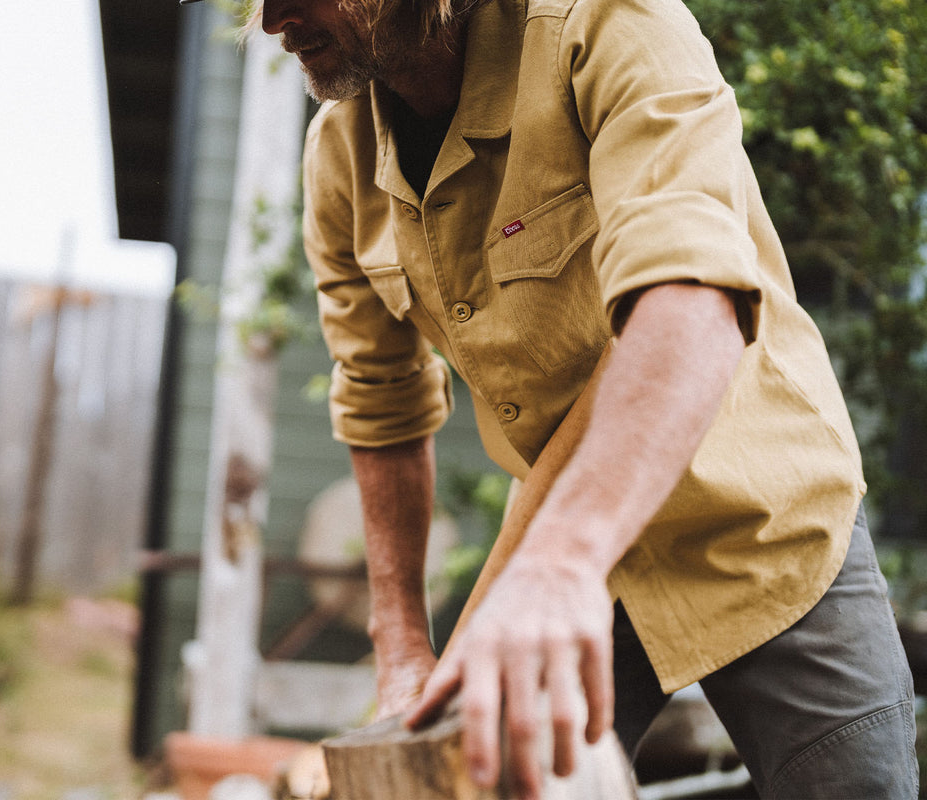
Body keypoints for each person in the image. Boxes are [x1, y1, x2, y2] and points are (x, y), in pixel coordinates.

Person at [184, 0, 919, 796]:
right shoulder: (339, 155)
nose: (272, 19)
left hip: (761, 520)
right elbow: (381, 401)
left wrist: (561, 562)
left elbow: (692, 302)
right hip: (565, 541)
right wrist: (400, 644)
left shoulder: (611, 24)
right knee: (459, 783)